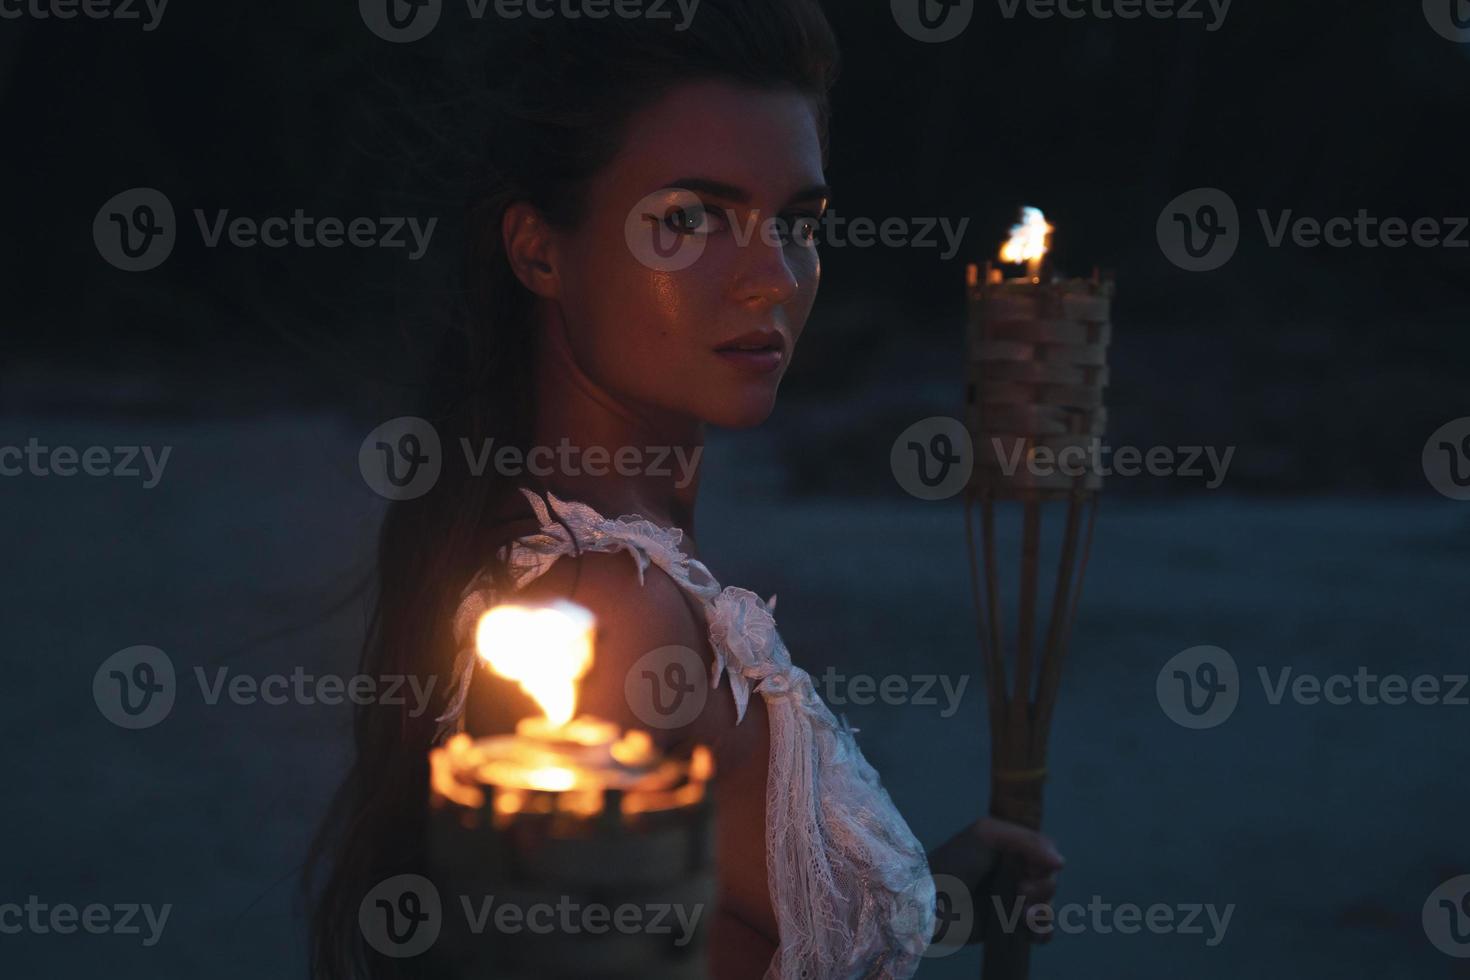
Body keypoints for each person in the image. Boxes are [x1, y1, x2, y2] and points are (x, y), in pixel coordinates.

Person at [308, 2, 1062, 977]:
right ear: (539, 248)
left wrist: (931, 899)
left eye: (798, 221)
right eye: (690, 219)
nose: (772, 278)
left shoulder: (601, 550)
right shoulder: (607, 617)